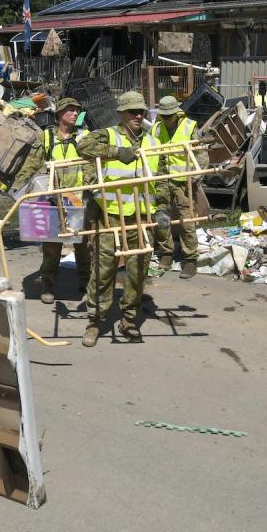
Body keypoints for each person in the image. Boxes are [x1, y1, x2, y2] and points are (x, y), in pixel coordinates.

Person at [77, 91, 169, 347]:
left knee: (138, 271)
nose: (138, 116)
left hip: (141, 217)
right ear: (122, 114)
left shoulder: (152, 142)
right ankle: (95, 321)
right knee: (103, 270)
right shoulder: (109, 135)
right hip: (110, 216)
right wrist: (118, 152)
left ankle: (129, 318)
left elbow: (160, 179)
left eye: (141, 112)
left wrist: (161, 208)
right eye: (133, 112)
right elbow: (82, 146)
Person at [13, 97, 90, 304]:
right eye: (70, 110)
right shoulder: (46, 136)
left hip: (77, 199)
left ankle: (85, 281)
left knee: (82, 243)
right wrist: (18, 188)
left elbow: (93, 164)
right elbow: (31, 164)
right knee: (52, 244)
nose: (75, 114)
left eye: (77, 111)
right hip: (53, 199)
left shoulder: (84, 136)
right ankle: (48, 283)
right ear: (59, 115)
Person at [150, 95, 208, 279]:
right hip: (161, 179)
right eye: (164, 116)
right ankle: (166, 253)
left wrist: (195, 175)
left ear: (177, 113)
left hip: (183, 181)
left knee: (186, 220)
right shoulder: (157, 129)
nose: (167, 119)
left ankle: (190, 259)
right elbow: (150, 151)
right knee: (161, 217)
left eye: (169, 115)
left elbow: (201, 155)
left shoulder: (189, 127)